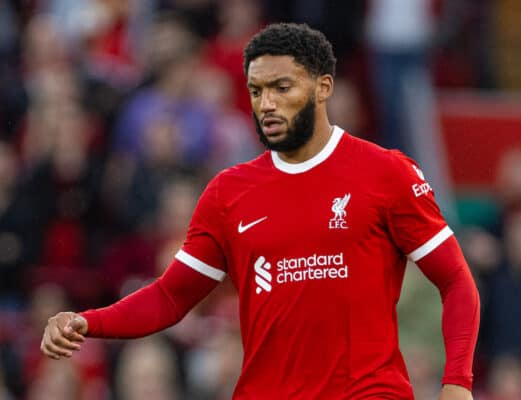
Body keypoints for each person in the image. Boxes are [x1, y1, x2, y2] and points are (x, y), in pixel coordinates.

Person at [41, 23, 480, 400]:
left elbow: (456, 280)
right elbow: (171, 297)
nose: (266, 103)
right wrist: (87, 321)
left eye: (281, 87)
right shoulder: (228, 193)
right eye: (256, 90)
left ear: (323, 87)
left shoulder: (386, 172)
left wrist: (457, 382)